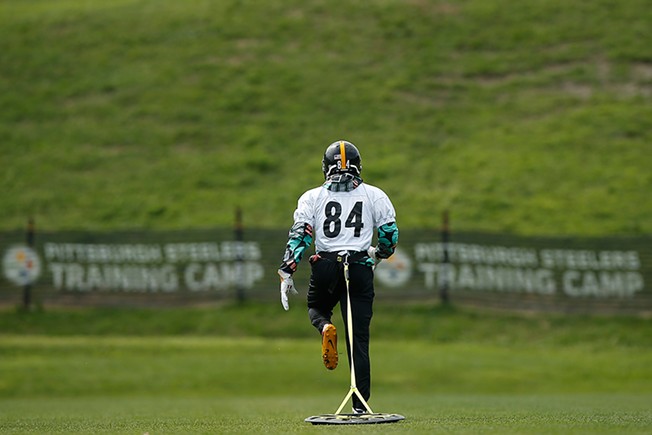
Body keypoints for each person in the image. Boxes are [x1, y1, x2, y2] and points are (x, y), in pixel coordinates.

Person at [277, 140, 398, 414]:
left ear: (325, 168)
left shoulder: (312, 197)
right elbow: (390, 236)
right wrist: (377, 255)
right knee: (359, 340)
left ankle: (324, 327)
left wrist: (287, 270)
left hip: (327, 265)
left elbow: (301, 235)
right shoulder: (374, 195)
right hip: (358, 267)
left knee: (317, 308)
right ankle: (360, 406)